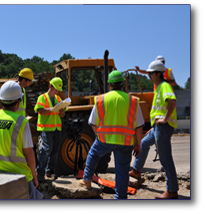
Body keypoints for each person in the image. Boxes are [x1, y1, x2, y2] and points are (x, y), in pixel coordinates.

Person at [79, 70, 144, 199]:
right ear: (123, 85)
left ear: (110, 85)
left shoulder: (100, 99)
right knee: (122, 170)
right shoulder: (133, 101)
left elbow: (92, 122)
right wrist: (138, 144)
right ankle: (120, 198)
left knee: (93, 154)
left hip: (104, 139)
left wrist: (99, 135)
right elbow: (139, 125)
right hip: (126, 142)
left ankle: (87, 180)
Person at [129, 60, 179, 199]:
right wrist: (155, 126)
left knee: (165, 159)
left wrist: (164, 120)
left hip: (163, 126)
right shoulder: (159, 86)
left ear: (158, 73)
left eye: (151, 73)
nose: (149, 75)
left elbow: (172, 101)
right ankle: (137, 170)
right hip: (157, 127)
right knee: (144, 144)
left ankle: (172, 191)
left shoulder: (164, 86)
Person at [34, 77, 67, 181]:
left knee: (55, 150)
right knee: (46, 149)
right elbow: (40, 110)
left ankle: (50, 171)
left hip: (57, 128)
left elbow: (62, 115)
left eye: (58, 90)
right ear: (50, 86)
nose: (57, 91)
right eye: (55, 89)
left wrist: (62, 112)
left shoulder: (58, 99)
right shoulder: (42, 98)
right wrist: (52, 109)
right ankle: (40, 173)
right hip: (47, 128)